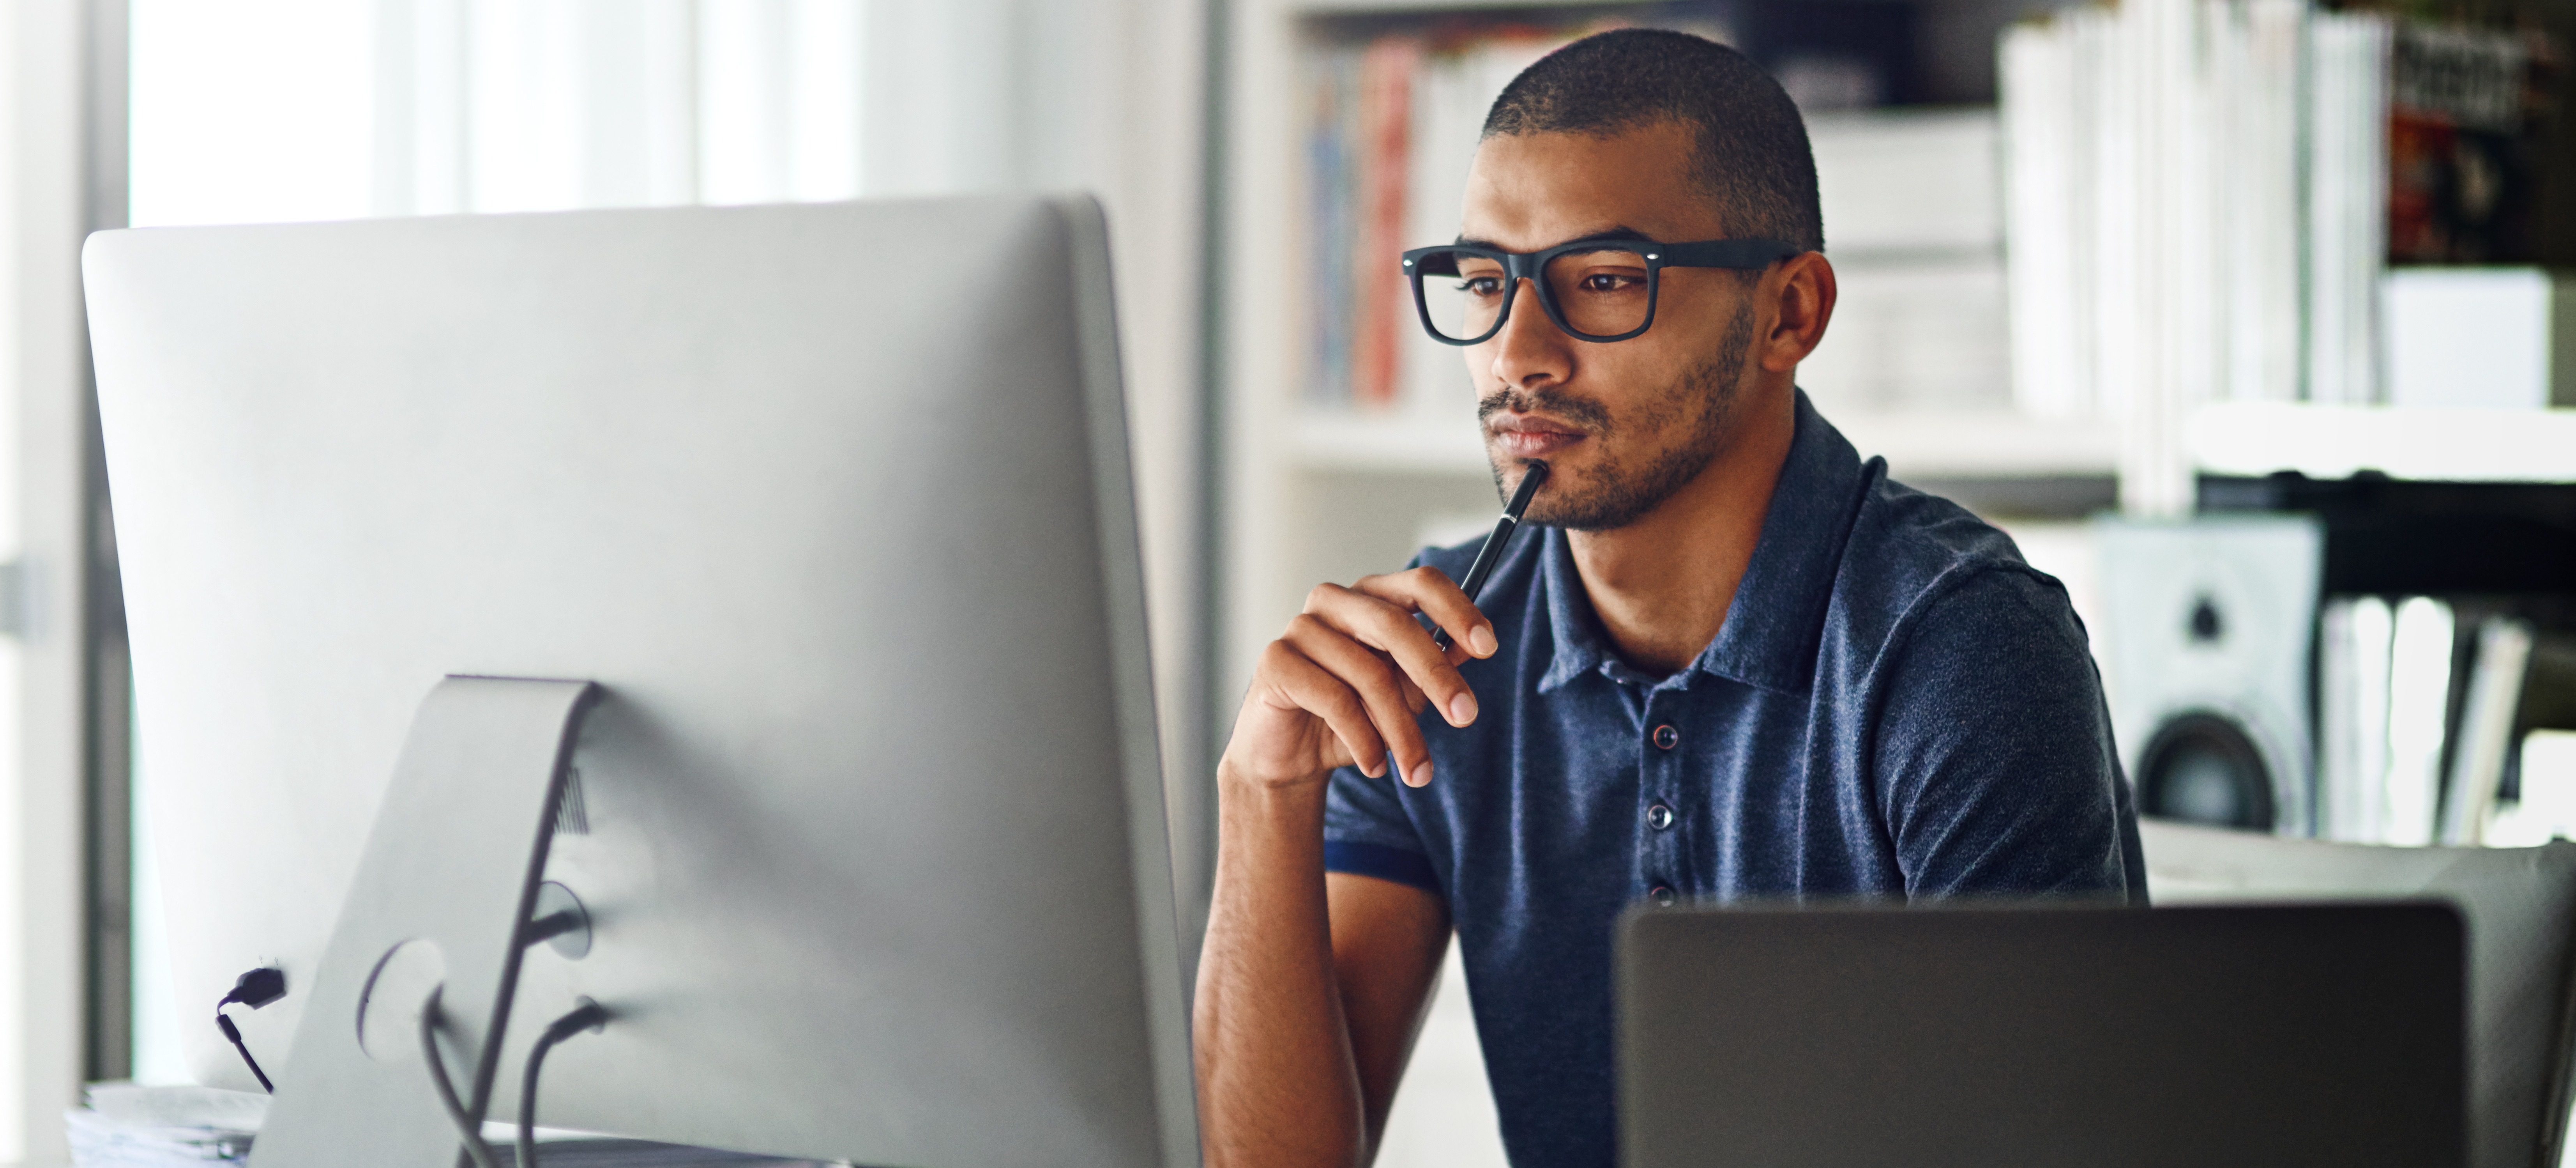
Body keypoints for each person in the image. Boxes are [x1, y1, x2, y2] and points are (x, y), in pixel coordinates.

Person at [1190, 27, 2145, 1168]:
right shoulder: (1431, 654)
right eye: (1486, 283)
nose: (1515, 354)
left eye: (1601, 281)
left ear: (1788, 313)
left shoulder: (1962, 648)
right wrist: (1262, 793)